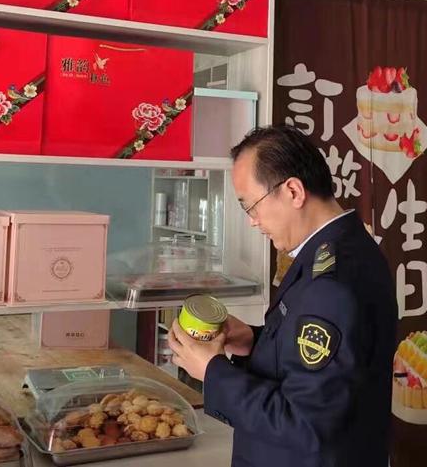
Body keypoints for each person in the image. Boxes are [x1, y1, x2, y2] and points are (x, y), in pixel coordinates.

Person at [167, 124, 397, 467]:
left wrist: (213, 371)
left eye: (252, 206)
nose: (253, 221)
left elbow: (306, 424)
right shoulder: (341, 247)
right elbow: (323, 362)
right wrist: (253, 340)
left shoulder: (331, 281)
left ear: (293, 191)